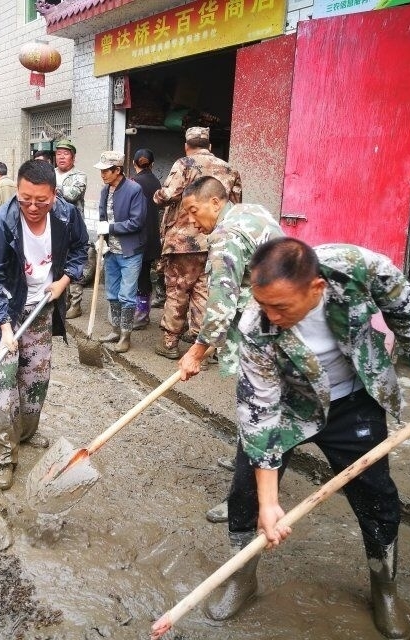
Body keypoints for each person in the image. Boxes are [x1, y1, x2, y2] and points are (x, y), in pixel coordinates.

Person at [200, 237, 410, 639]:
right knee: (246, 492)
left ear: (316, 288)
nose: (271, 315)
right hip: (288, 404)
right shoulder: (256, 326)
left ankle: (383, 586)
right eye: (263, 304)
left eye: (281, 307)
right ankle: (242, 576)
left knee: (376, 495)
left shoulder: (358, 268)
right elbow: (259, 414)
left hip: (353, 398)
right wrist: (270, 503)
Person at [176, 176, 284, 523]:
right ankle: (248, 454)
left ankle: (246, 501)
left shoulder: (225, 235)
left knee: (258, 408)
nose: (192, 221)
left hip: (270, 329)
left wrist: (196, 351)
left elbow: (221, 302)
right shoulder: (252, 211)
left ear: (216, 203)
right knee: (261, 405)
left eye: (194, 211)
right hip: (283, 315)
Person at [0, 159, 88, 490]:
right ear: (17, 192)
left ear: (54, 194)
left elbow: (81, 249)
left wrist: (64, 280)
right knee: (5, 388)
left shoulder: (67, 214)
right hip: (6, 313)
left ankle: (25, 434)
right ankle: (4, 457)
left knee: (36, 379)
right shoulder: (1, 225)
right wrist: (4, 327)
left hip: (41, 308)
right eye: (25, 199)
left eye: (41, 200)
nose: (33, 207)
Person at [153, 126, 242, 359]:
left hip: (183, 242)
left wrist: (156, 195)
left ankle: (170, 343)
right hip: (214, 240)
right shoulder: (229, 169)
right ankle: (199, 346)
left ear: (186, 146)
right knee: (204, 291)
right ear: (210, 146)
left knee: (177, 290)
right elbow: (235, 204)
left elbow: (168, 195)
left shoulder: (184, 164)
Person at [94, 150, 146, 353]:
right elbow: (101, 216)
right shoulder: (105, 190)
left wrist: (111, 228)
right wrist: (101, 238)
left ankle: (125, 336)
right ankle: (115, 329)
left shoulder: (134, 190)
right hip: (110, 251)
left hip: (130, 251)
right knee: (112, 293)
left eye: (107, 171)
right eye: (102, 170)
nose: (103, 174)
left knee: (127, 295)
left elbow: (137, 222)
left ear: (118, 170)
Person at [53, 139, 89, 320]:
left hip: (73, 227)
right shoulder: (50, 173)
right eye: (58, 153)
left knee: (75, 262)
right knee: (58, 263)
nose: (61, 157)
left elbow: (72, 195)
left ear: (73, 158)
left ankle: (76, 304)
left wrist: (53, 187)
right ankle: (62, 300)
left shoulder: (79, 175)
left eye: (65, 154)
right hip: (54, 226)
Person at [129, 149, 161, 330]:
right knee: (145, 275)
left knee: (135, 275)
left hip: (136, 237)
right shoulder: (157, 182)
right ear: (153, 164)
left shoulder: (132, 183)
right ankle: (143, 313)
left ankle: (138, 315)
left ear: (134, 163)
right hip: (152, 237)